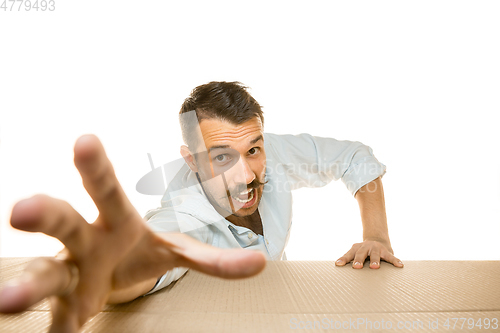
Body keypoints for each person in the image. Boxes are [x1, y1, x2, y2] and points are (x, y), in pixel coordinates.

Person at [0, 81, 403, 332]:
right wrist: (96, 272)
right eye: (222, 157)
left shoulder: (273, 152)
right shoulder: (184, 215)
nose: (246, 174)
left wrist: (377, 236)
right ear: (192, 161)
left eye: (254, 150)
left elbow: (354, 157)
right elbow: (151, 254)